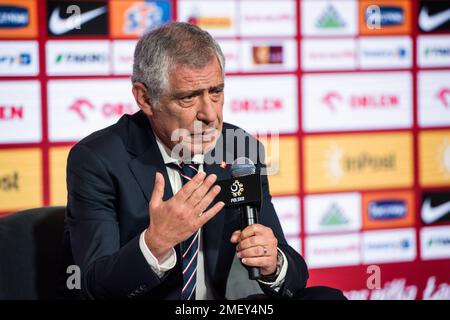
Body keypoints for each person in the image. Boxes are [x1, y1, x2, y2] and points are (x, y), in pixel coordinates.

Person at [63, 22, 345, 300]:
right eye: (189, 98)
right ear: (145, 98)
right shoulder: (97, 160)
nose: (210, 114)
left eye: (216, 92)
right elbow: (93, 286)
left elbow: (294, 274)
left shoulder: (240, 149)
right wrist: (155, 243)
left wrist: (274, 264)